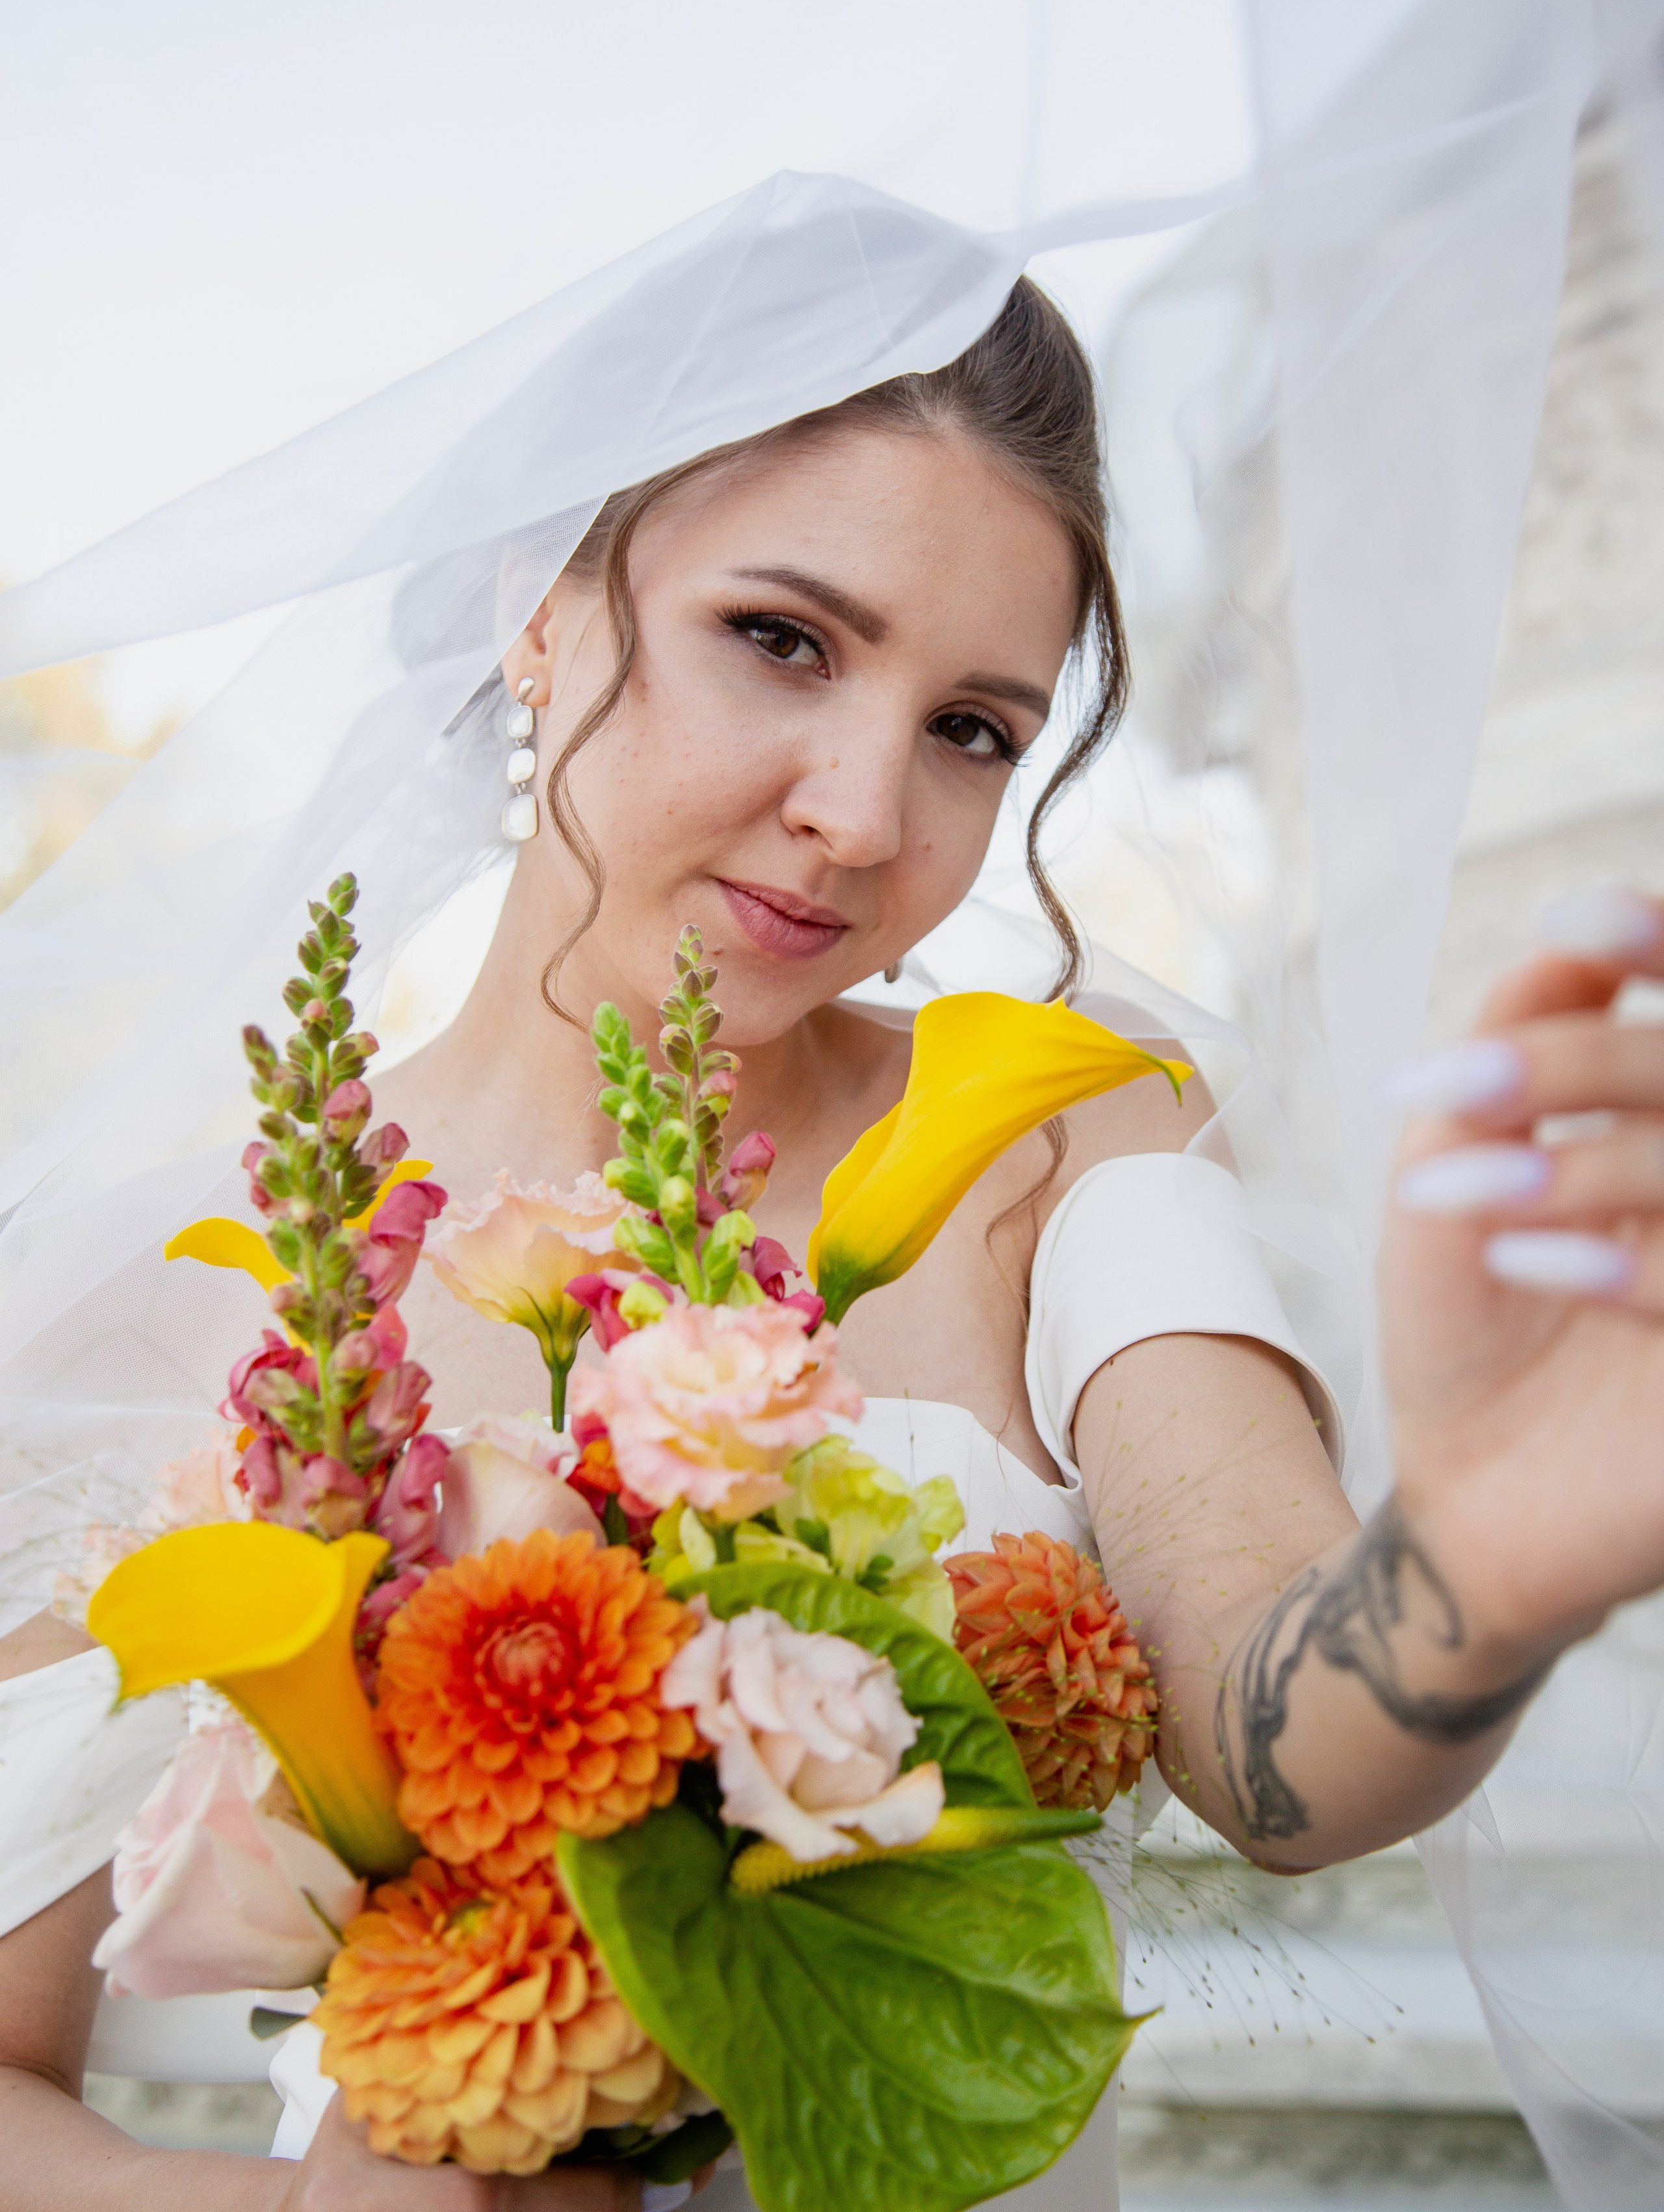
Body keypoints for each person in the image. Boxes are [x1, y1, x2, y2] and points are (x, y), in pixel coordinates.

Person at [1, 276, 1661, 2212]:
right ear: (540, 605)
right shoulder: (200, 1282)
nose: (869, 815)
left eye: (972, 728)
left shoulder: (1061, 1143)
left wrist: (1485, 1562)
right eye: (782, 640)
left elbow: (1273, 1756)